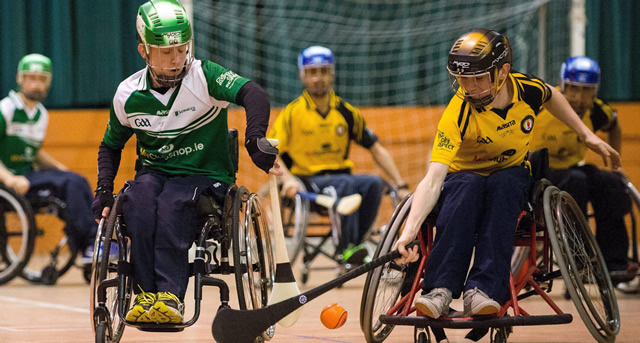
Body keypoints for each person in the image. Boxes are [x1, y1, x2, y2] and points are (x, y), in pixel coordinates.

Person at [394, 28, 620, 320]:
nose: (468, 87)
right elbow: (434, 178)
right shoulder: (457, 112)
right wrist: (409, 232)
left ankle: (483, 291)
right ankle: (438, 289)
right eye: (462, 78)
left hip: (510, 173)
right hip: (465, 178)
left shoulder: (526, 89)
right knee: (467, 185)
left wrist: (587, 135)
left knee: (505, 183)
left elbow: (552, 96)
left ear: (502, 72)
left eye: (477, 79)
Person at [91, 0, 278, 324]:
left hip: (206, 174)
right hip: (155, 172)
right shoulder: (128, 94)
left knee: (173, 203)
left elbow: (254, 94)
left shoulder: (204, 76)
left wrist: (254, 139)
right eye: (166, 52)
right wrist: (103, 190)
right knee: (138, 200)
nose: (176, 59)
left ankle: (170, 297)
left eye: (181, 49)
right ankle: (146, 294)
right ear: (144, 51)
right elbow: (110, 146)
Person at [267, 46, 409, 265]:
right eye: (312, 72)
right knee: (344, 186)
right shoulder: (291, 114)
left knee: (373, 184)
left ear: (332, 73)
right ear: (302, 75)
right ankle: (346, 250)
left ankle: (356, 244)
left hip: (342, 177)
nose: (318, 78)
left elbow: (376, 148)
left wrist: (400, 184)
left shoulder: (346, 112)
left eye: (324, 71)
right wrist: (286, 180)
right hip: (308, 183)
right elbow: (270, 150)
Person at [531, 56, 638, 283]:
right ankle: (579, 259)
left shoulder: (597, 111)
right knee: (576, 181)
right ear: (563, 85)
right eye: (573, 89)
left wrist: (616, 166)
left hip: (571, 170)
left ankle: (614, 261)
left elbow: (614, 125)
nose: (579, 98)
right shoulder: (544, 104)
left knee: (609, 183)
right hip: (539, 173)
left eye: (586, 91)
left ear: (595, 91)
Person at [0, 53, 97, 265]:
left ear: (48, 82)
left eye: (41, 79)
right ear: (19, 79)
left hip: (28, 177)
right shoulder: (5, 109)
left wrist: (58, 167)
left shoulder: (41, 114)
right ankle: (91, 243)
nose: (35, 84)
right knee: (72, 182)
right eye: (30, 78)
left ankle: (89, 244)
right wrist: (9, 179)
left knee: (75, 179)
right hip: (8, 180)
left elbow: (35, 152)